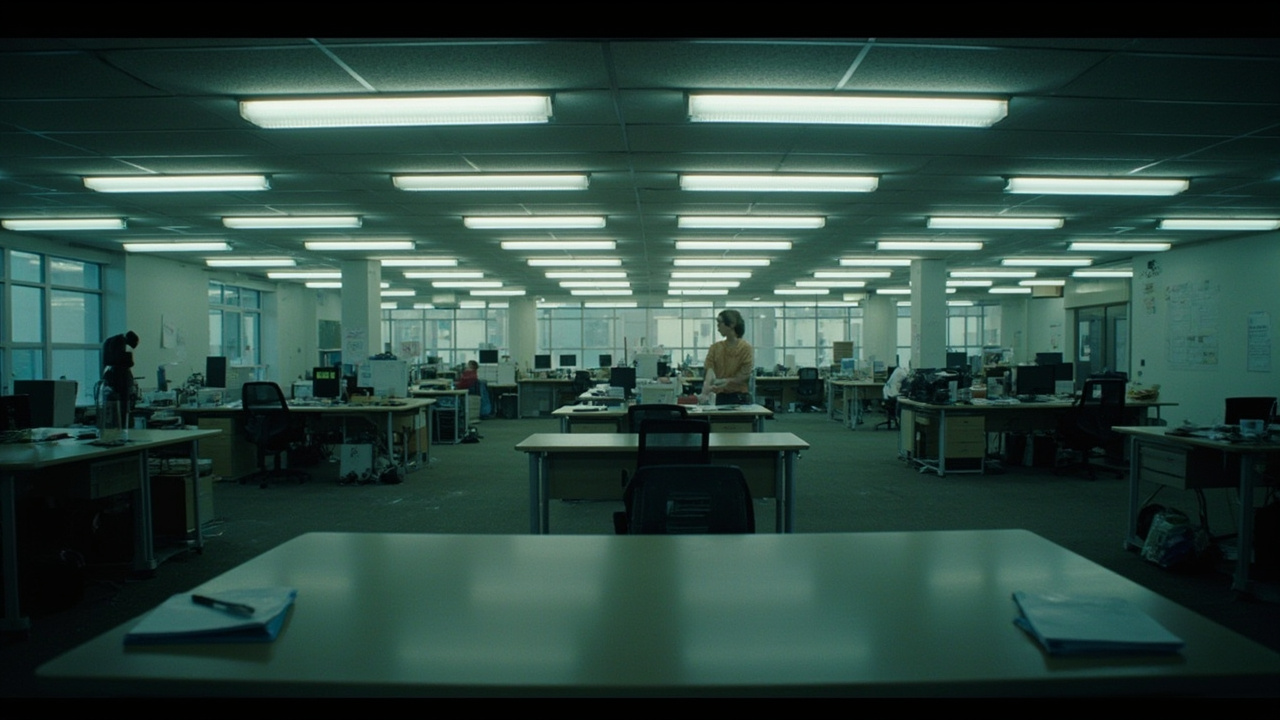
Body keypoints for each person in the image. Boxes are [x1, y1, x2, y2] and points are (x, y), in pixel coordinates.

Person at [699, 309, 754, 406]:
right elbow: (710, 371)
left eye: (720, 323)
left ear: (732, 324)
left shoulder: (745, 348)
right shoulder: (715, 348)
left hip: (740, 397)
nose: (718, 327)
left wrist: (726, 381)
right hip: (720, 397)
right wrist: (705, 391)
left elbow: (744, 375)